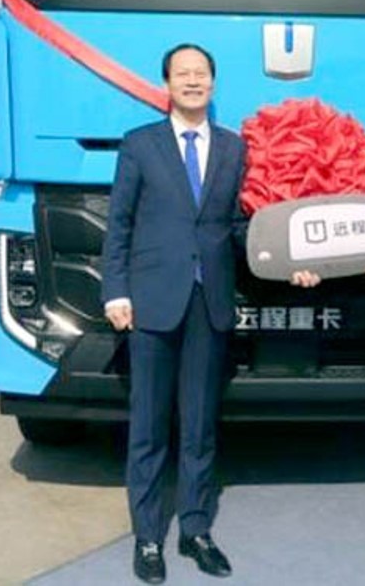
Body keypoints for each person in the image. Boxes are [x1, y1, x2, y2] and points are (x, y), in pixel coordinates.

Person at [101, 43, 248, 584]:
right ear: (166, 83)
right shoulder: (141, 144)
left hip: (210, 303)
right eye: (182, 74)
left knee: (200, 427)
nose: (192, 81)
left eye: (201, 73)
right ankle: (147, 537)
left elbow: (237, 225)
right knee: (148, 427)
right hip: (151, 303)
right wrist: (116, 291)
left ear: (213, 82)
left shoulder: (233, 147)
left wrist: (292, 254)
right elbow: (119, 223)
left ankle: (196, 529)